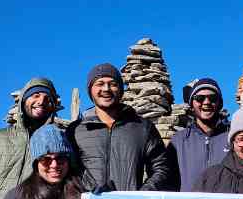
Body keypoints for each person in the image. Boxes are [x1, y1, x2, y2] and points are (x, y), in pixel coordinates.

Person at [67, 63, 172, 192]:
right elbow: (67, 172)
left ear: (120, 89)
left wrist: (142, 195)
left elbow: (161, 168)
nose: (106, 89)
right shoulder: (76, 130)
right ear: (90, 90)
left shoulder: (142, 128)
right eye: (100, 84)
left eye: (113, 84)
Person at [167, 77, 230, 191]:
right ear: (191, 104)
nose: (206, 102)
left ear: (219, 103)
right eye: (199, 98)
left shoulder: (233, 138)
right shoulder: (178, 141)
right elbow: (167, 181)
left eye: (212, 98)